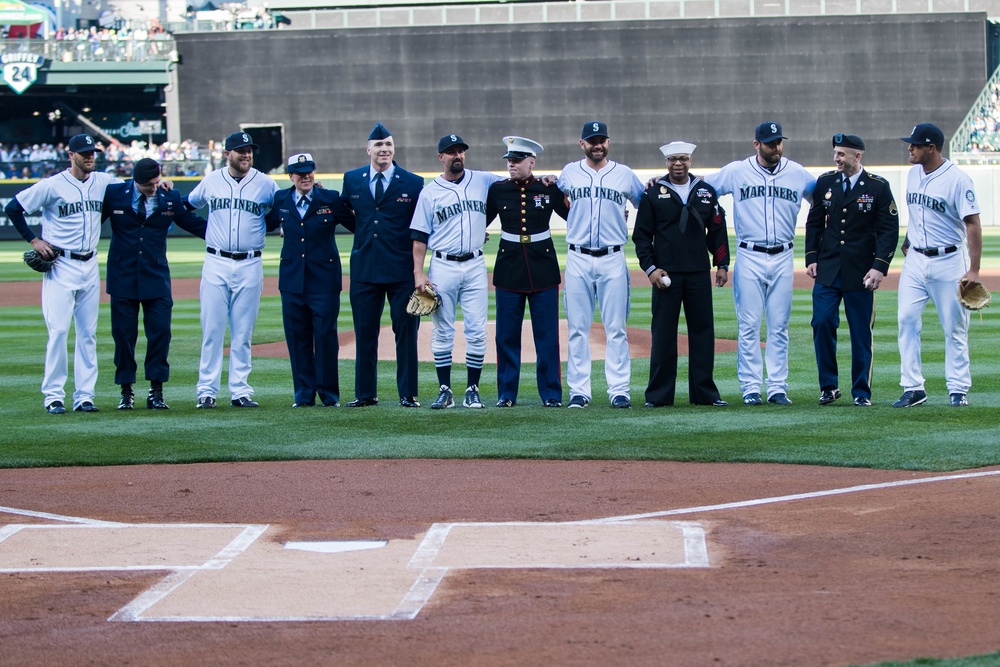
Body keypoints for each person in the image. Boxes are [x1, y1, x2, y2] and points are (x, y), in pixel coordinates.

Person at [4, 134, 123, 414]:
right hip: (60, 265)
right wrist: (35, 240)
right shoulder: (52, 185)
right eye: (84, 153)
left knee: (88, 334)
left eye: (92, 152)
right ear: (71, 155)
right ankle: (54, 395)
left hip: (90, 265)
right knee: (58, 331)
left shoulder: (104, 181)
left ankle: (85, 396)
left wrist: (162, 181)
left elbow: (134, 188)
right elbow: (14, 208)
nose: (89, 157)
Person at [705, 122, 815, 406]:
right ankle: (751, 387)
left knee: (779, 325)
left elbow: (824, 199)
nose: (776, 147)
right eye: (769, 143)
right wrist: (662, 180)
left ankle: (778, 386)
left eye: (779, 142)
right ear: (757, 144)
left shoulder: (797, 172)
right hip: (749, 254)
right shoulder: (737, 171)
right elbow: (703, 189)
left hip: (784, 256)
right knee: (749, 324)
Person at [102, 157, 208, 411]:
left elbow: (191, 223)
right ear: (135, 181)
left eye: (156, 182)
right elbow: (88, 221)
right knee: (123, 337)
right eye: (148, 185)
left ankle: (156, 391)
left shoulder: (169, 197)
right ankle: (126, 391)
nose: (153, 188)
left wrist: (226, 235)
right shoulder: (115, 193)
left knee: (160, 334)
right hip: (122, 276)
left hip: (156, 276)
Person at [184, 131, 280, 409]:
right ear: (227, 154)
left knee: (243, 332)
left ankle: (240, 390)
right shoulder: (212, 180)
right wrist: (205, 231)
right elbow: (186, 206)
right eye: (240, 150)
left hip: (251, 262)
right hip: (216, 262)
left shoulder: (265, 183)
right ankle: (206, 390)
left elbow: (281, 211)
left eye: (249, 150)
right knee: (212, 330)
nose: (246, 154)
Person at [632, 140, 730, 408]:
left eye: (683, 159)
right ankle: (659, 396)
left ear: (691, 161)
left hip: (698, 272)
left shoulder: (706, 192)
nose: (678, 164)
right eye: (673, 159)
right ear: (666, 162)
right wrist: (650, 269)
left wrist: (722, 264)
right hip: (666, 275)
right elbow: (641, 236)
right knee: (663, 334)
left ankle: (705, 394)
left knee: (702, 333)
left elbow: (718, 230)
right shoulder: (653, 193)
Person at [805, 134, 899, 407]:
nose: (836, 158)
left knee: (860, 332)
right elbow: (814, 223)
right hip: (829, 269)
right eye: (835, 153)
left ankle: (861, 391)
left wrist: (879, 266)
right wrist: (812, 256)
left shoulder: (878, 187)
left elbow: (888, 230)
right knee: (821, 322)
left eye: (842, 154)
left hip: (861, 272)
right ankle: (828, 387)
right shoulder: (825, 183)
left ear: (857, 156)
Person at [894, 123, 983, 408]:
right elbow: (917, 212)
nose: (910, 148)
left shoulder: (958, 179)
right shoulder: (911, 174)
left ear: (931, 148)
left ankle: (957, 389)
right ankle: (913, 387)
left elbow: (973, 224)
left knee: (954, 327)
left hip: (949, 261)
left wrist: (974, 270)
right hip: (916, 261)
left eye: (915, 145)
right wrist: (908, 238)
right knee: (906, 320)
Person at [411, 134, 503, 409]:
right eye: (451, 152)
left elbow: (514, 183)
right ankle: (445, 390)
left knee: (477, 330)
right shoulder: (429, 192)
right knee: (442, 330)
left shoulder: (483, 180)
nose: (457, 156)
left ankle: (472, 389)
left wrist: (545, 176)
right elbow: (419, 237)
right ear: (440, 157)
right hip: (442, 266)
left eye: (461, 151)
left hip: (475, 264)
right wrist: (418, 274)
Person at [557, 121, 644, 409]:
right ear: (582, 144)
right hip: (578, 257)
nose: (597, 145)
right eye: (592, 140)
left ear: (608, 142)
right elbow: (552, 193)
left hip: (613, 257)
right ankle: (579, 391)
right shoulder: (569, 173)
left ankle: (619, 390)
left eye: (601, 140)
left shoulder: (624, 174)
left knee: (616, 327)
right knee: (578, 328)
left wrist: (656, 185)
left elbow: (646, 203)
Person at [341, 123, 425, 408]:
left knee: (406, 332)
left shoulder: (413, 182)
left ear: (394, 149)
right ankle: (365, 393)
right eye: (378, 145)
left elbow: (421, 225)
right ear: (369, 150)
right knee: (365, 332)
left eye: (388, 144)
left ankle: (408, 393)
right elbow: (343, 212)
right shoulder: (352, 179)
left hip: (401, 270)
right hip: (365, 269)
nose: (384, 149)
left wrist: (417, 272)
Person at [486, 136, 569, 408]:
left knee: (547, 334)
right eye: (509, 160)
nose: (512, 164)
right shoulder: (498, 190)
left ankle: (551, 394)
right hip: (509, 266)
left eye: (517, 160)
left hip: (542, 265)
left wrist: (560, 184)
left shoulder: (547, 188)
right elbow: (480, 219)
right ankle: (507, 393)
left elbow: (575, 214)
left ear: (532, 162)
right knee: (506, 335)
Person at [265, 153, 353, 408]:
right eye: (300, 173)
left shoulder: (330, 198)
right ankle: (303, 395)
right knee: (297, 337)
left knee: (325, 338)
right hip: (292, 281)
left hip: (324, 281)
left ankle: (328, 394)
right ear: (290, 176)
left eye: (309, 171)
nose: (306, 177)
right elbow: (264, 222)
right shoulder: (281, 199)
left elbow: (357, 224)